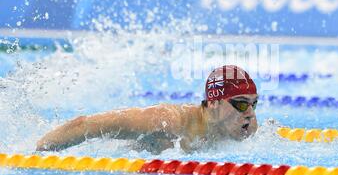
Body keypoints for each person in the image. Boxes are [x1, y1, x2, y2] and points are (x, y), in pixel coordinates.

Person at [36, 65, 258, 154]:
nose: (249, 112)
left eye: (253, 103)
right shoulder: (167, 121)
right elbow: (85, 125)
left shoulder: (247, 127)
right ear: (213, 103)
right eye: (240, 103)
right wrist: (36, 153)